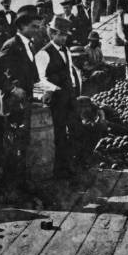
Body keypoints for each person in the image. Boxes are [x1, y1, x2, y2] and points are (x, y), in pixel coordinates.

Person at [0, 10, 42, 193]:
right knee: (12, 145)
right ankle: (9, 188)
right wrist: (12, 88)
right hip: (13, 102)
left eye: (39, 26)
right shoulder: (11, 45)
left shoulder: (29, 45)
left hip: (23, 101)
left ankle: (20, 184)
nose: (37, 30)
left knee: (22, 143)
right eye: (33, 27)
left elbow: (30, 73)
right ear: (21, 27)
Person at [35, 15, 79, 178]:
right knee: (59, 133)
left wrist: (73, 88)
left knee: (74, 129)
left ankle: (70, 164)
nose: (64, 38)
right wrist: (53, 90)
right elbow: (39, 79)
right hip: (57, 100)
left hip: (70, 97)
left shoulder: (66, 51)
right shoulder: (43, 54)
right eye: (60, 34)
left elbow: (70, 73)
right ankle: (59, 169)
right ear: (52, 34)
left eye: (66, 35)